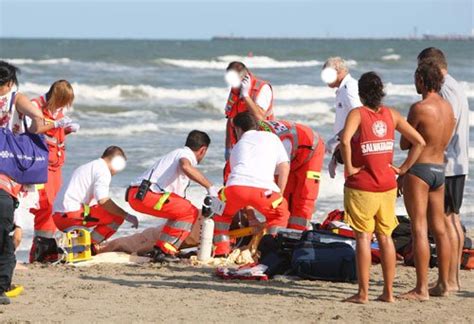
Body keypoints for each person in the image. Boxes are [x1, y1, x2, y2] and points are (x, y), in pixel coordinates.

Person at [340, 72, 425, 304]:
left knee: (363, 238)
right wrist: (404, 168)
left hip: (363, 186)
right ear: (381, 92)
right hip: (387, 185)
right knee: (385, 237)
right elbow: (419, 142)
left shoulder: (357, 114)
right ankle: (388, 293)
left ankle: (363, 293)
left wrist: (349, 167)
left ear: (360, 93)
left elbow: (345, 140)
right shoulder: (392, 114)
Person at [399, 62, 455, 300]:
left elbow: (404, 143)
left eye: (415, 78)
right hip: (439, 170)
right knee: (440, 229)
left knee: (419, 228)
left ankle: (421, 288)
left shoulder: (419, 108)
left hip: (419, 170)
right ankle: (443, 283)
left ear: (421, 79)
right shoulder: (448, 108)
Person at [417, 47, 470, 291]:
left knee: (446, 222)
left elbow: (445, 123)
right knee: (453, 220)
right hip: (460, 161)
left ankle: (447, 281)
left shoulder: (445, 89)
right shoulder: (457, 85)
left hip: (447, 162)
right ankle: (454, 280)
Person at [0, 61, 50, 305]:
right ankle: (3, 283)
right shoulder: (16, 98)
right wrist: (49, 126)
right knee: (14, 228)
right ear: (10, 82)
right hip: (11, 171)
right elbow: (38, 121)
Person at [127, 130, 218, 262]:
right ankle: (166, 250)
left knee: (180, 211)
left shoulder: (175, 154)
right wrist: (210, 187)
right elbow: (185, 166)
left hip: (136, 194)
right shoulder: (185, 154)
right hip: (146, 194)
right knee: (190, 212)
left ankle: (160, 250)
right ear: (203, 150)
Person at [213, 112, 290, 257]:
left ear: (238, 129)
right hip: (265, 192)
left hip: (234, 190)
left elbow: (243, 184)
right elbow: (284, 167)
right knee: (280, 215)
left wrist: (251, 216)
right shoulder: (272, 137)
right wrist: (279, 194)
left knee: (221, 214)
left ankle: (221, 251)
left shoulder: (238, 146)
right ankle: (271, 251)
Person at [29, 80, 80, 263]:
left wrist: (66, 130)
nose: (63, 107)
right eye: (62, 101)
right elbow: (33, 129)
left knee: (55, 207)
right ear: (55, 96)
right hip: (41, 166)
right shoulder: (35, 106)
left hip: (56, 167)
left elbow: (54, 134)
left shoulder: (58, 111)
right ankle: (39, 251)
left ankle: (49, 251)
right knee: (44, 206)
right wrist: (56, 124)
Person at [52, 146, 139, 251]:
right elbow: (103, 200)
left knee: (102, 210)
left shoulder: (89, 166)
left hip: (58, 216)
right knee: (116, 216)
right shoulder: (103, 171)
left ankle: (86, 244)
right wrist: (127, 215)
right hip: (71, 216)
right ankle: (90, 246)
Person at [259, 119, 325, 230]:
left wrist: (276, 198)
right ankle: (279, 230)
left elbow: (278, 177)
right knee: (285, 196)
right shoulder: (248, 138)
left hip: (311, 151)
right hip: (293, 153)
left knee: (303, 197)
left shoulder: (276, 144)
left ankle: (297, 234)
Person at [223, 61, 274, 182]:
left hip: (259, 147)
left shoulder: (262, 88)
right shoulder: (235, 90)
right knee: (230, 184)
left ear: (244, 78)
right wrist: (228, 148)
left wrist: (246, 96)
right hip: (239, 147)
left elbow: (260, 118)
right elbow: (230, 119)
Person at [321, 57, 362, 178]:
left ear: (339, 72)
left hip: (355, 149)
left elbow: (361, 117)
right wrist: (337, 154)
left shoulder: (349, 88)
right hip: (347, 146)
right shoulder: (342, 89)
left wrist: (334, 141)